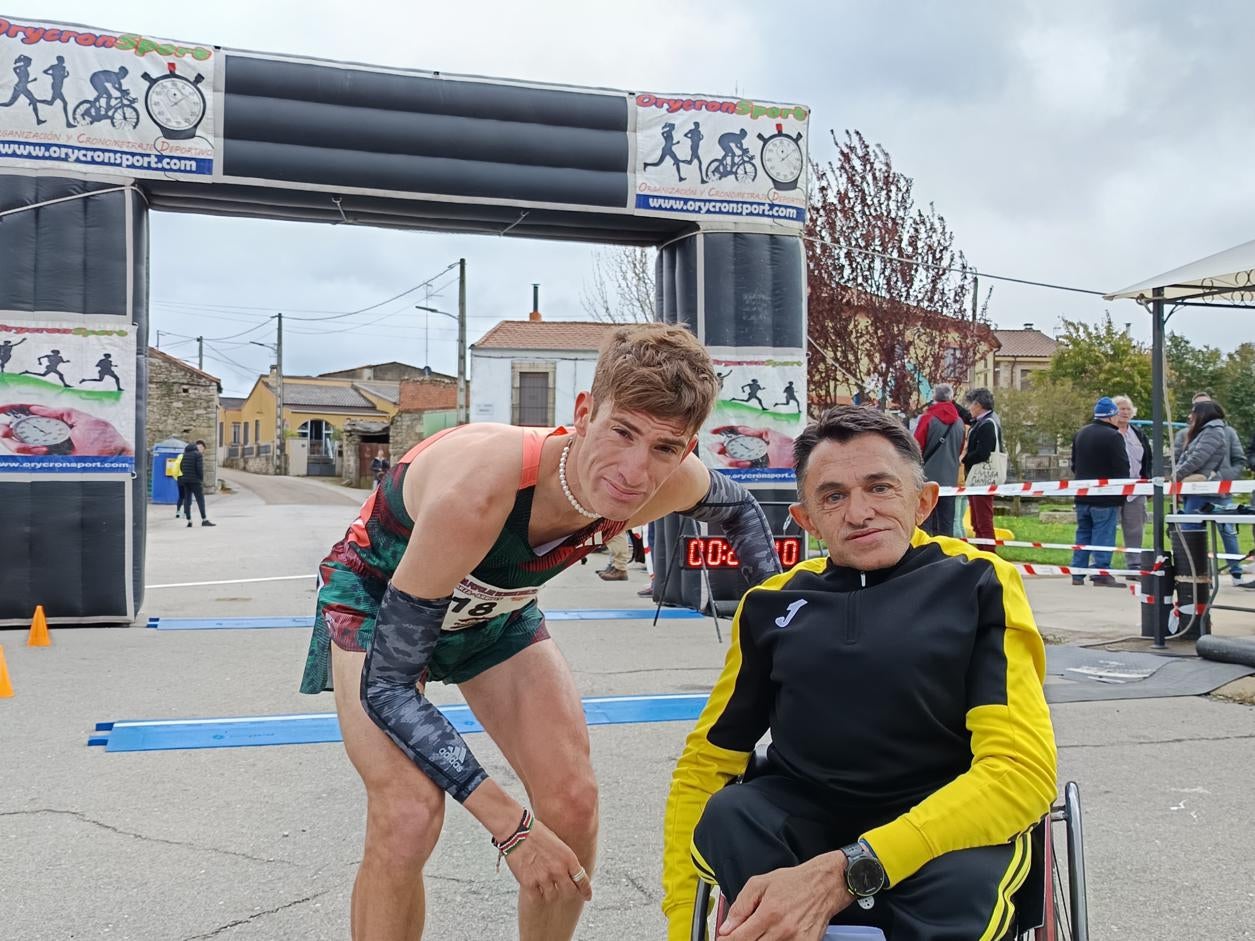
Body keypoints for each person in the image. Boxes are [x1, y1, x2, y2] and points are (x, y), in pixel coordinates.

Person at [298, 324, 782, 941]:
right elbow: (390, 687)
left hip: (492, 608)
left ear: (686, 450)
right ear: (583, 414)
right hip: (379, 602)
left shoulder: (671, 482)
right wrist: (513, 828)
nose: (634, 472)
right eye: (622, 432)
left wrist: (786, 627)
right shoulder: (479, 489)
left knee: (573, 803)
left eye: (665, 448)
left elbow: (740, 509)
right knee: (409, 813)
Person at [661, 405, 1056, 941]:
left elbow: (1018, 771)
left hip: (943, 812)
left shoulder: (981, 584)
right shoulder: (768, 605)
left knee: (964, 885)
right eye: (833, 496)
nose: (859, 512)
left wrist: (850, 869)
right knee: (732, 813)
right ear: (806, 519)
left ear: (923, 502)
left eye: (880, 488)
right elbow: (706, 765)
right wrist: (683, 923)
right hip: (806, 809)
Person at [1175, 400, 1245, 585]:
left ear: (1202, 414)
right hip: (1203, 488)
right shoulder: (1207, 431)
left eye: (1193, 412)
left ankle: (1201, 574)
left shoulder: (1212, 431)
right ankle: (1201, 574)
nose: (1190, 416)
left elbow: (1198, 457)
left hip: (1205, 490)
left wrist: (1176, 475)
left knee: (1193, 531)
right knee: (1198, 531)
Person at [1069, 397, 1128, 587]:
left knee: (1083, 534)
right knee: (1103, 534)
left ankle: (1077, 572)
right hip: (1105, 498)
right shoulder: (1114, 436)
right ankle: (1101, 572)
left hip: (1082, 494)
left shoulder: (1081, 434)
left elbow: (1074, 464)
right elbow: (1122, 468)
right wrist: (1122, 495)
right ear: (1111, 416)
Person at [912, 383, 965, 538]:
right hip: (950, 479)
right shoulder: (960, 422)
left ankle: (925, 557)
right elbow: (960, 449)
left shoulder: (928, 418)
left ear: (934, 397)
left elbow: (916, 447)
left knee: (925, 521)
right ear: (951, 398)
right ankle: (946, 557)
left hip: (927, 478)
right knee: (946, 523)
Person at [1112, 395, 1152, 578]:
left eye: (1128, 409)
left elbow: (1147, 460)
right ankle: (1100, 565)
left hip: (1136, 489)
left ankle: (1134, 565)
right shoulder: (1108, 432)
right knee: (1107, 527)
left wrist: (1147, 482)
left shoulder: (1138, 434)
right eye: (1121, 408)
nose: (1125, 412)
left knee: (1135, 528)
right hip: (1112, 489)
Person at [960, 387, 1001, 546]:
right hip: (976, 478)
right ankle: (982, 553)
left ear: (978, 405)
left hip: (982, 478)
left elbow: (982, 453)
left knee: (983, 521)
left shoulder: (988, 424)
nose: (969, 408)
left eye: (970, 404)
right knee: (977, 521)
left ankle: (989, 557)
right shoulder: (983, 422)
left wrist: (964, 459)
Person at [179, 440, 215, 528]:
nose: (202, 451)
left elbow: (181, 466)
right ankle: (204, 519)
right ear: (200, 446)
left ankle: (189, 520)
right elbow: (199, 469)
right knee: (200, 499)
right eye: (203, 449)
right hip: (195, 481)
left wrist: (185, 475)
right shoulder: (198, 455)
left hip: (186, 480)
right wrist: (201, 479)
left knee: (187, 499)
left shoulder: (185, 454)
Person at [41, 56, 71, 127]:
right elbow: (44, 71)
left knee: (51, 103)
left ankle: (35, 100)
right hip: (55, 86)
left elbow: (61, 77)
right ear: (59, 60)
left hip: (59, 86)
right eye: (62, 60)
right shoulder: (53, 66)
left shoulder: (63, 68)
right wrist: (52, 74)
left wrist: (66, 76)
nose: (63, 61)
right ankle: (68, 123)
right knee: (65, 103)